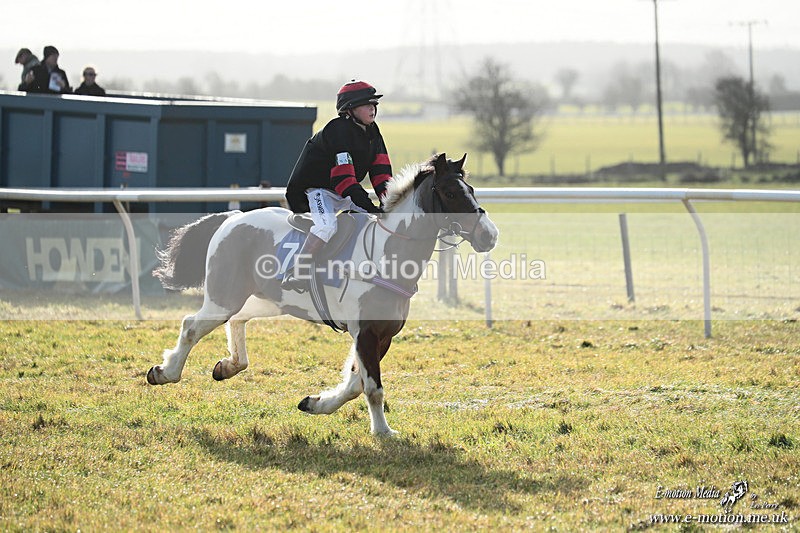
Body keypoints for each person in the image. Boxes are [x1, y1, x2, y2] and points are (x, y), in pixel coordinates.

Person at [282, 79, 393, 292]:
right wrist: (371, 207)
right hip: (315, 190)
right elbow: (344, 179)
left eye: (374, 104)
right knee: (326, 226)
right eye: (366, 104)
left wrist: (389, 204)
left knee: (381, 221)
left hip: (343, 190)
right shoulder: (337, 130)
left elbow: (381, 173)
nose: (373, 108)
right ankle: (298, 271)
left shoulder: (373, 132)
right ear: (350, 109)